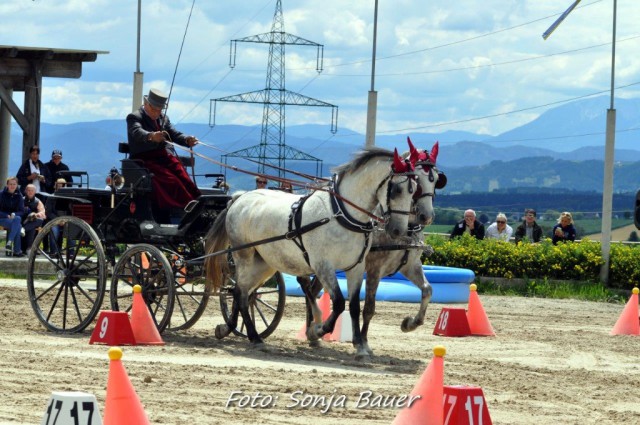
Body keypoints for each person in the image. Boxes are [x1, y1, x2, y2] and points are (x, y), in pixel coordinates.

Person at [126, 88, 201, 209]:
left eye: (159, 110)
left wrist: (187, 139)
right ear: (146, 104)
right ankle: (184, 206)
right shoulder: (134, 117)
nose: (156, 113)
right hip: (145, 158)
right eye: (154, 109)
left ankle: (197, 201)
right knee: (171, 180)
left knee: (182, 175)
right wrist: (151, 136)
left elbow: (174, 134)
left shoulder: (163, 118)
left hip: (163, 156)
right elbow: (137, 132)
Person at [0, 177, 25, 257]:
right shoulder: (1, 194)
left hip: (13, 219)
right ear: (7, 185)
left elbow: (22, 211)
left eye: (14, 184)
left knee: (17, 219)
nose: (12, 186)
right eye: (10, 184)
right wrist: (6, 215)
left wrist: (14, 214)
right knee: (18, 225)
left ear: (17, 185)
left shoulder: (19, 196)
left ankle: (9, 243)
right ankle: (17, 251)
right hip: (2, 218)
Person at [22, 184, 46, 254]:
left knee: (39, 220)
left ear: (35, 191)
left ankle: (29, 247)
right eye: (28, 190)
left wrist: (36, 214)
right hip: (23, 221)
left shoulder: (38, 201)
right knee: (32, 227)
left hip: (33, 221)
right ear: (26, 191)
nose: (30, 192)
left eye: (32, 190)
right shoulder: (21, 200)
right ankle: (29, 248)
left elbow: (43, 214)